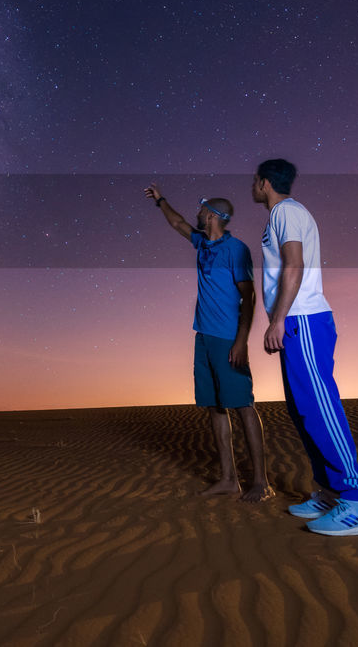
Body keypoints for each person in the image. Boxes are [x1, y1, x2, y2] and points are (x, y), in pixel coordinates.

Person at [252, 158, 358, 535]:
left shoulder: (286, 212)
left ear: (264, 183)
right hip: (297, 321)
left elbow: (294, 265)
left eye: (254, 181)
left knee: (320, 408)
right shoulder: (282, 214)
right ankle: (329, 493)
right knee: (303, 412)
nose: (253, 187)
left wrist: (278, 320)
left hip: (304, 320)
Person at [145, 183, 273, 503]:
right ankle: (229, 479)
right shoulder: (202, 243)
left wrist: (241, 341)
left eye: (202, 210)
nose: (197, 213)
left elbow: (249, 295)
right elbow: (177, 223)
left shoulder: (236, 249)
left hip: (228, 337)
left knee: (243, 406)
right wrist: (161, 200)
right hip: (203, 336)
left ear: (214, 215)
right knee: (215, 407)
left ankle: (261, 482)